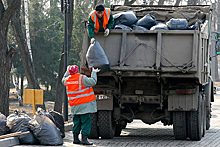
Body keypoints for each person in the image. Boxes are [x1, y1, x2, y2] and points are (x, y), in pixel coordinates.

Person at [62, 65, 100, 145]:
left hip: (74, 106)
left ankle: (75, 139)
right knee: (86, 122)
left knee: (76, 123)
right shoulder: (82, 78)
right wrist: (93, 72)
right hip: (84, 106)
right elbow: (93, 81)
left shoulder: (67, 80)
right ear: (77, 71)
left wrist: (67, 71)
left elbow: (63, 79)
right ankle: (84, 140)